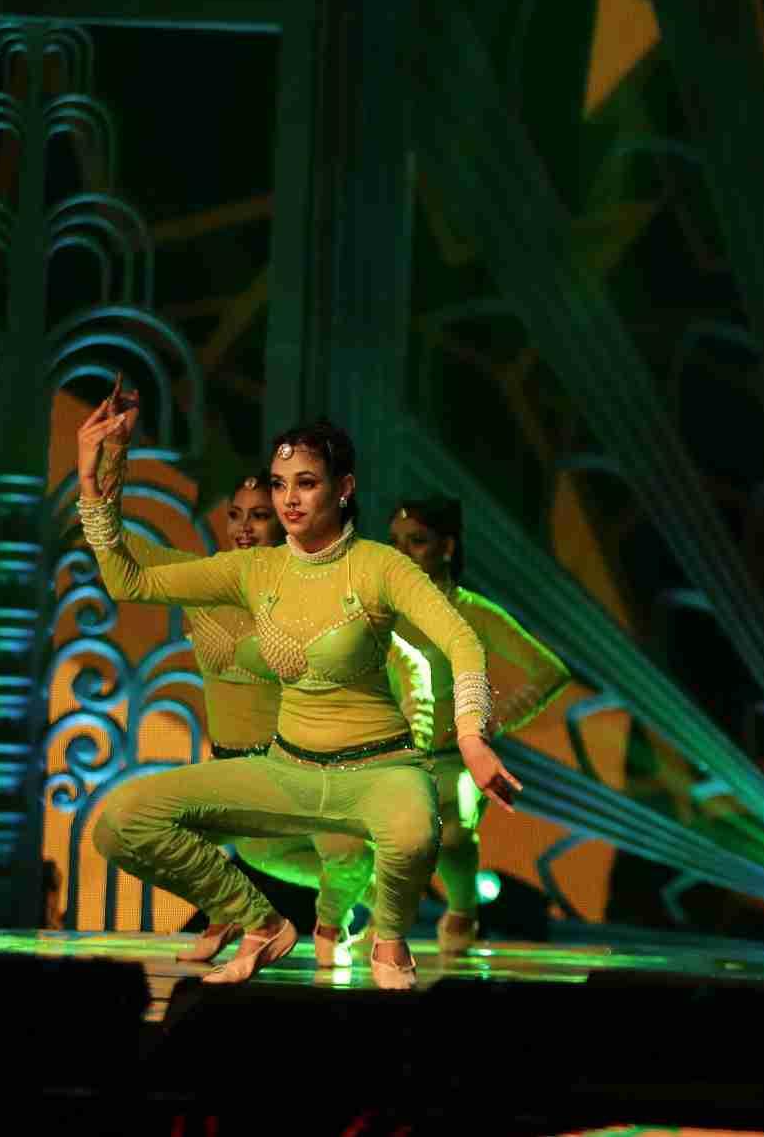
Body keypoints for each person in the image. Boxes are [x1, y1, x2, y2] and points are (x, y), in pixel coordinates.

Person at [75, 381, 518, 987]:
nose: (288, 498)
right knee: (121, 821)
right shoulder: (256, 570)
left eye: (306, 483)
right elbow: (130, 580)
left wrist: (470, 738)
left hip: (380, 771)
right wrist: (97, 469)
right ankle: (259, 923)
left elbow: (461, 640)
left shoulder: (379, 565)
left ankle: (390, 940)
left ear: (344, 488)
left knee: (417, 834)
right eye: (280, 484)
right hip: (289, 770)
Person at [388, 497, 572, 953]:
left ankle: (462, 910)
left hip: (455, 759)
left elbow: (549, 670)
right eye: (396, 543)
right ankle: (371, 921)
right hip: (390, 761)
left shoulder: (474, 612)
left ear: (447, 548)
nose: (403, 553)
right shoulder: (382, 612)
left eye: (417, 541)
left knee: (452, 834)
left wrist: (496, 721)